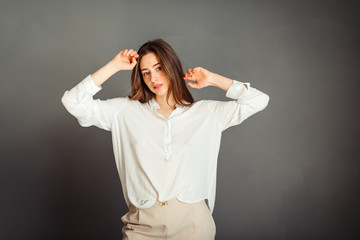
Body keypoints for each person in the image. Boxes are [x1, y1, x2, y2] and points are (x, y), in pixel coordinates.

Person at [61, 39, 270, 240]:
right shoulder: (124, 111)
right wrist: (114, 66)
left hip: (193, 224)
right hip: (141, 224)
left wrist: (213, 79)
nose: (154, 78)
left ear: (172, 67)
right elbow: (73, 102)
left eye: (159, 68)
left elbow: (259, 100)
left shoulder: (206, 112)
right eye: (146, 72)